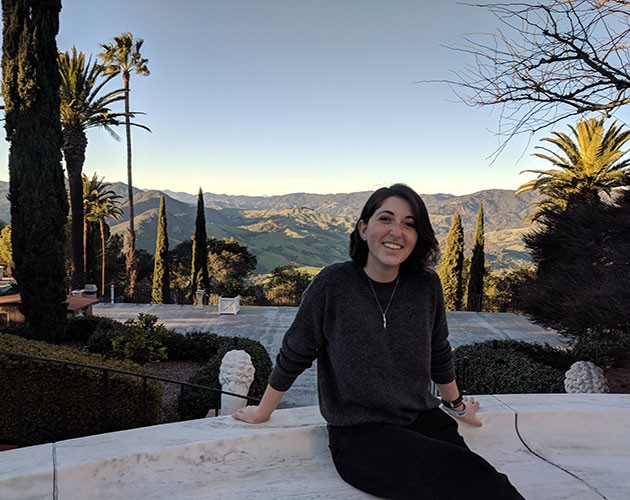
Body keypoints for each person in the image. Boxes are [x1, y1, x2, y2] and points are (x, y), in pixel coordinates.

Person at [234, 183, 524, 500]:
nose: (396, 232)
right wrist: (263, 411)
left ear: (418, 236)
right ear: (363, 228)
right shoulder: (333, 284)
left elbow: (438, 352)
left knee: (484, 480)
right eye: (385, 219)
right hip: (361, 434)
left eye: (409, 224)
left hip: (424, 420)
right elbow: (295, 353)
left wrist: (456, 405)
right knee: (476, 482)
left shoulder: (426, 285)